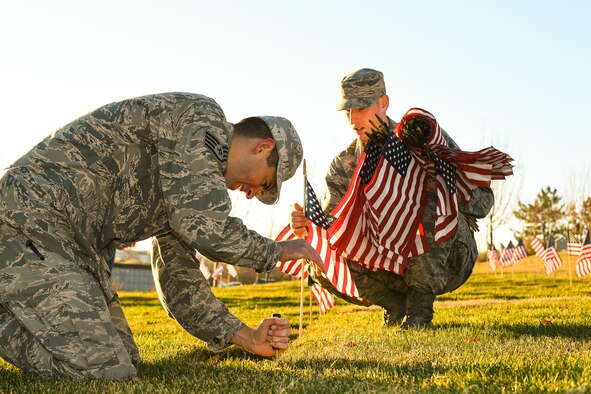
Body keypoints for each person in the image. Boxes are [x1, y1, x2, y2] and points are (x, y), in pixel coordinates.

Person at [0, 92, 325, 380]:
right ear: (263, 148)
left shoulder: (185, 189)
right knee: (107, 372)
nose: (254, 195)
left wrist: (249, 337)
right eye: (265, 183)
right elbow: (208, 228)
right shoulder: (201, 118)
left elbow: (181, 285)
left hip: (68, 248)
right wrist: (276, 251)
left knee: (128, 360)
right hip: (28, 220)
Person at [290, 69, 494, 329]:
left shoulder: (421, 138)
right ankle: (394, 304)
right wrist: (306, 226)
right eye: (347, 111)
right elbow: (333, 226)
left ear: (383, 103)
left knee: (422, 205)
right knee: (318, 253)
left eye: (361, 108)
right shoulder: (344, 165)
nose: (353, 119)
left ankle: (420, 313)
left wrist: (440, 180)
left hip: (451, 257)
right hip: (390, 263)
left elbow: (482, 203)